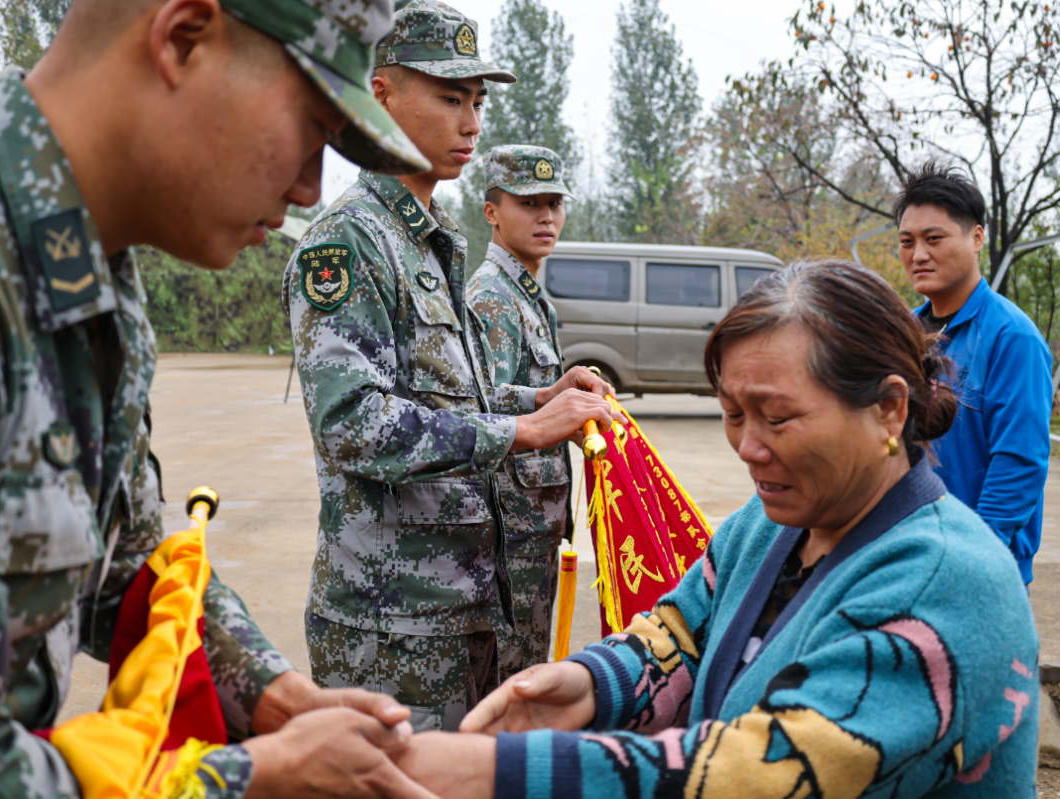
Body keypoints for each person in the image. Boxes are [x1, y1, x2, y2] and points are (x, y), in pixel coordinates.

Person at [0, 0, 443, 797]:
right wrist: (246, 779)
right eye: (311, 130)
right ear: (183, 39)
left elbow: (119, 564)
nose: (310, 187)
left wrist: (272, 695)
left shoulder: (86, 277)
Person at [392, 261, 1040, 799]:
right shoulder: (767, 526)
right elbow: (681, 629)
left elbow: (759, 769)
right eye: (732, 414)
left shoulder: (945, 581)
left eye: (777, 417)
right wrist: (590, 685)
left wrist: (495, 771)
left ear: (888, 409)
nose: (748, 447)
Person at [283, 0, 615, 733]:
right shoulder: (349, 245)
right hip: (390, 625)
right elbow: (355, 423)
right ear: (383, 93)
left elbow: (444, 392)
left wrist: (536, 395)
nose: (470, 123)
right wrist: (521, 433)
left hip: (461, 610)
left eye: (476, 101)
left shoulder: (429, 242)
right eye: (448, 97)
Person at [895, 162, 1052, 586]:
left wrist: (976, 555)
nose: (918, 254)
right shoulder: (903, 331)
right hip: (906, 556)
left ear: (977, 237)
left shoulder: (1011, 337)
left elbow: (1019, 460)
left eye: (934, 238)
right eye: (907, 242)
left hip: (977, 565)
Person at [466, 145, 576, 680]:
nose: (546, 217)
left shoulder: (529, 296)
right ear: (492, 212)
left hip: (534, 524)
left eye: (555, 203)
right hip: (510, 532)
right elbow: (476, 403)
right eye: (529, 203)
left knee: (527, 665)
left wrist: (558, 394)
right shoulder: (491, 297)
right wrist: (546, 402)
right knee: (511, 678)